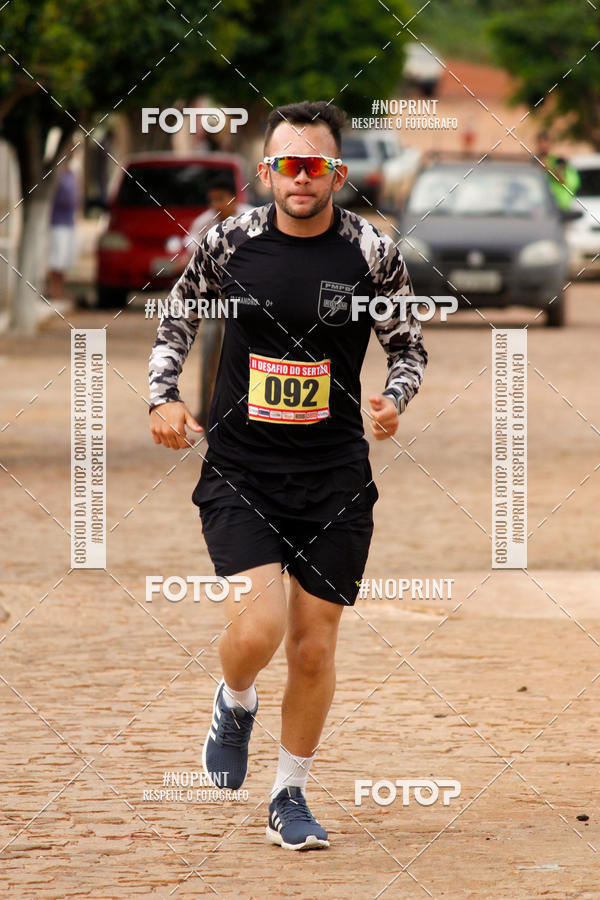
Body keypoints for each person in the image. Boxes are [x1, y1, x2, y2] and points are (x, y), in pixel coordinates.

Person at [148, 100, 427, 851]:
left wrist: (394, 399)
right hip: (242, 468)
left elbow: (408, 347)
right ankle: (235, 699)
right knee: (261, 628)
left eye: (314, 165)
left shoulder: (372, 251)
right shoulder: (229, 241)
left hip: (335, 477)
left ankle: (288, 795)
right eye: (285, 165)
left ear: (336, 173)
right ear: (266, 172)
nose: (299, 178)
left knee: (312, 646)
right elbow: (177, 320)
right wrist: (162, 396)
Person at [184, 174, 253, 426]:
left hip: (246, 297)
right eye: (212, 199)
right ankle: (207, 410)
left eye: (220, 199)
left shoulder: (252, 219)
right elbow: (192, 254)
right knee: (210, 353)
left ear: (234, 199)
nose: (216, 204)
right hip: (216, 297)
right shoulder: (204, 223)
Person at [47, 165, 78, 299]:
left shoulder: (72, 174)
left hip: (70, 223)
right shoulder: (55, 174)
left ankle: (60, 289)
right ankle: (53, 289)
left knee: (65, 260)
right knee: (56, 259)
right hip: (57, 222)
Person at [536, 131, 580, 211]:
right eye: (540, 142)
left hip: (560, 207)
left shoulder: (558, 161)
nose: (543, 145)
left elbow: (564, 180)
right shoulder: (533, 161)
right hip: (539, 207)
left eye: (545, 142)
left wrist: (548, 168)